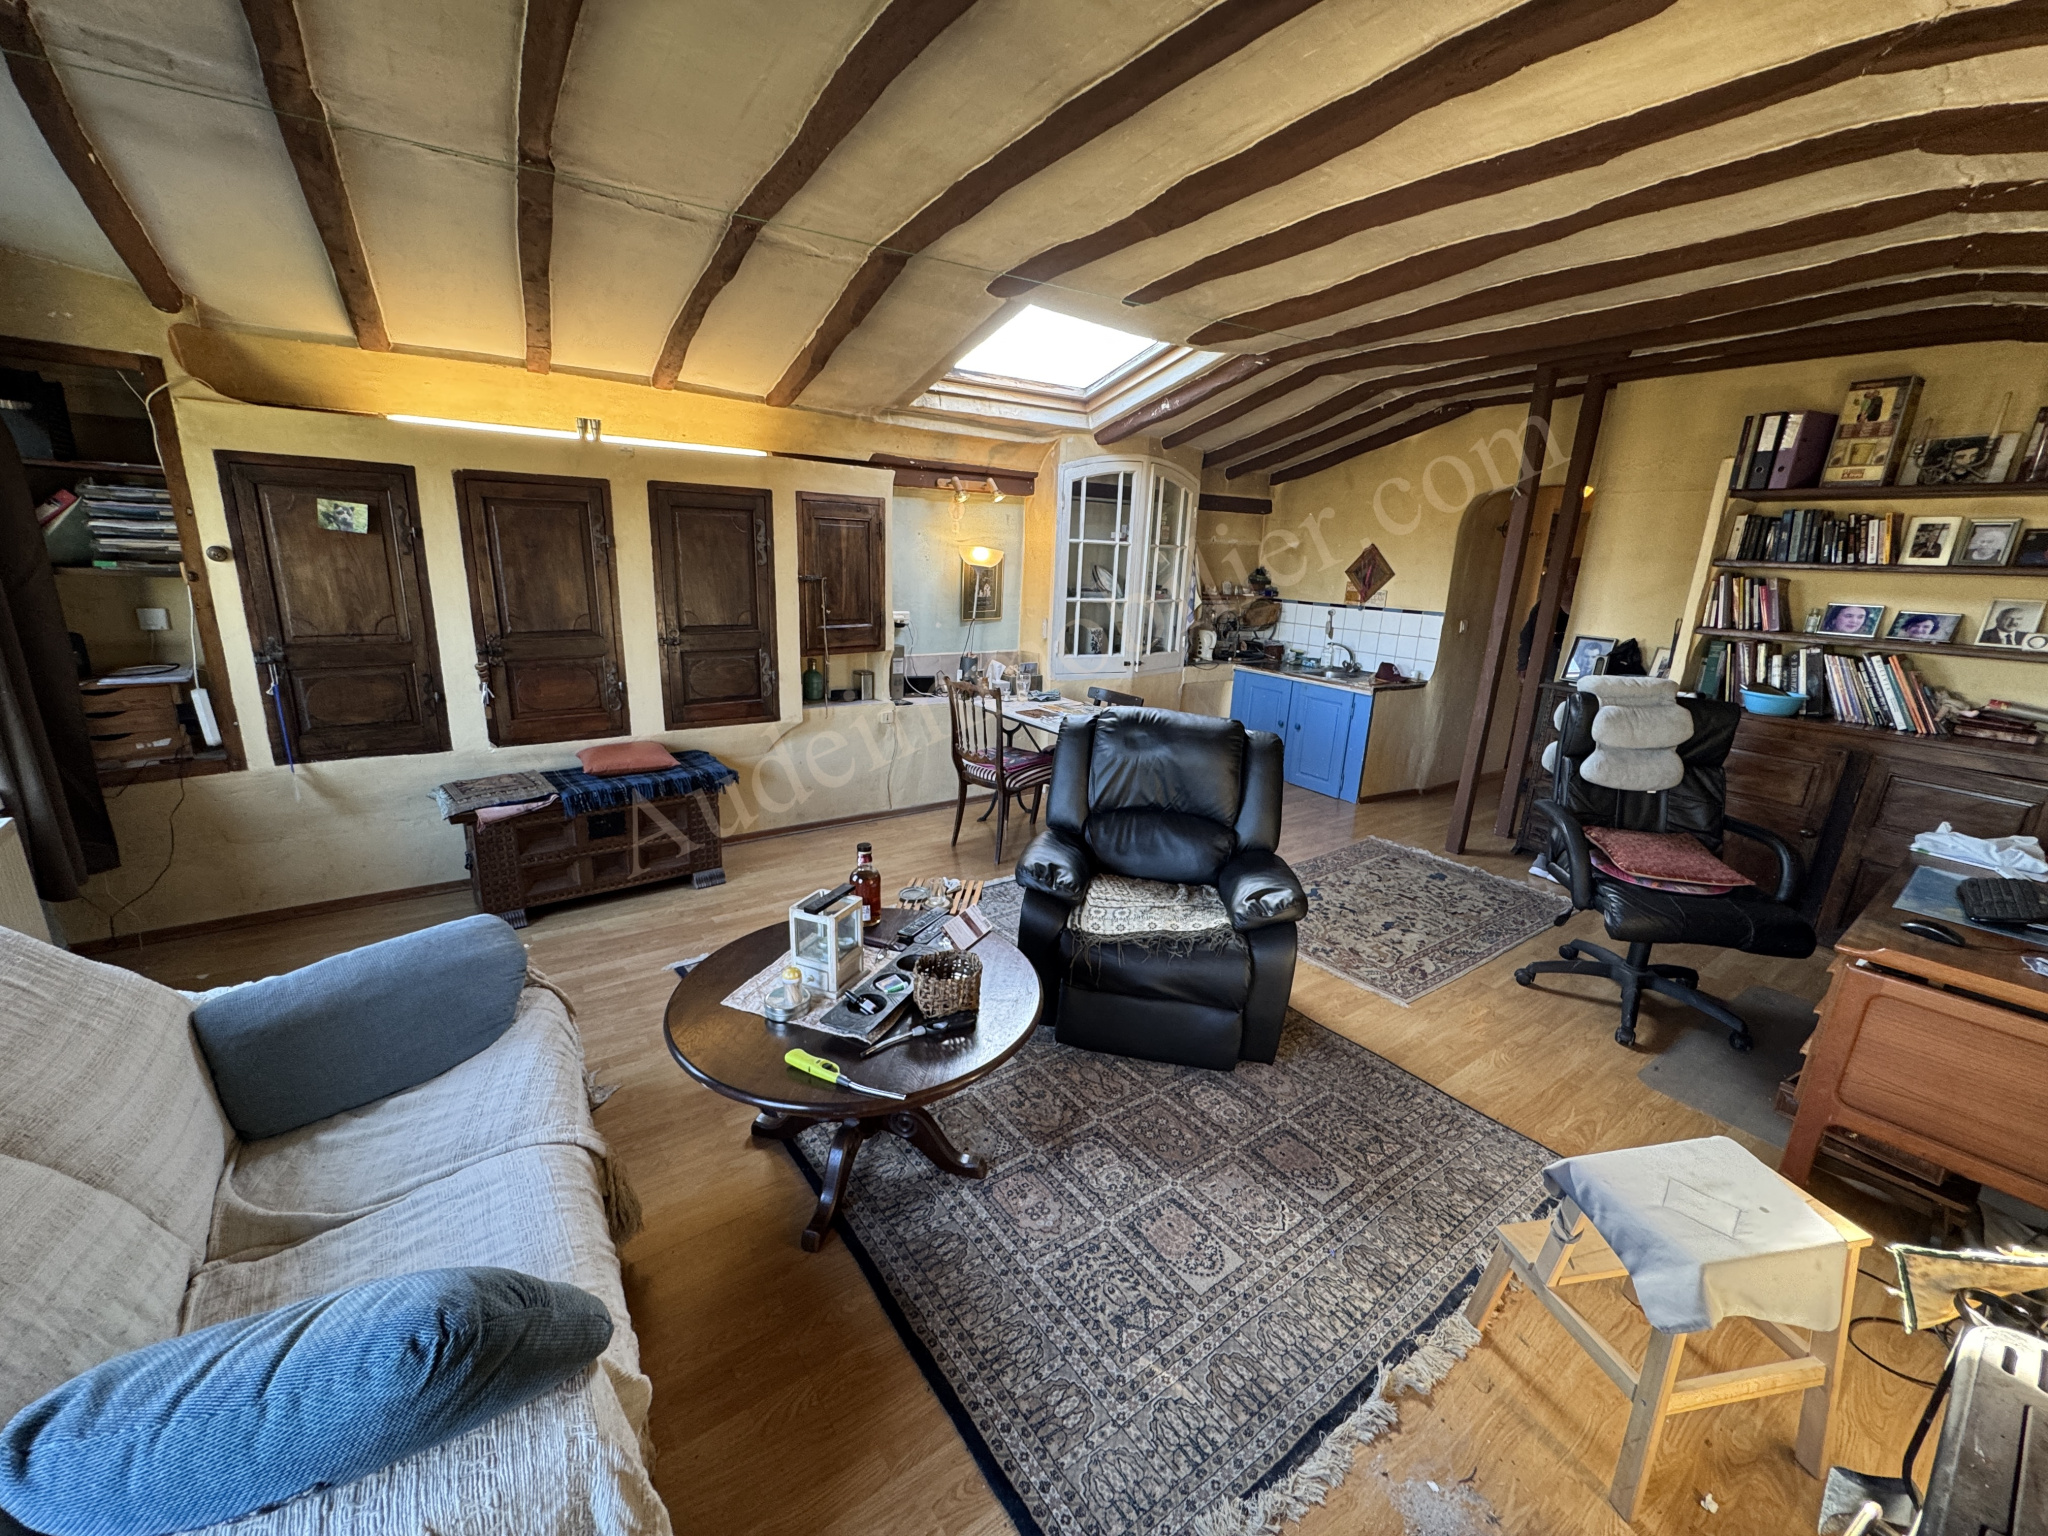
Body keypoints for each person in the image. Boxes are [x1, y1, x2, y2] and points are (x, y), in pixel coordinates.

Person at [1516, 561, 1579, 678]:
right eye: (1568, 579)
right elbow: (1527, 635)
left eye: (1574, 578)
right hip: (1549, 659)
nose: (1570, 585)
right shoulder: (1545, 605)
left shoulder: (1587, 608)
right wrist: (1523, 665)